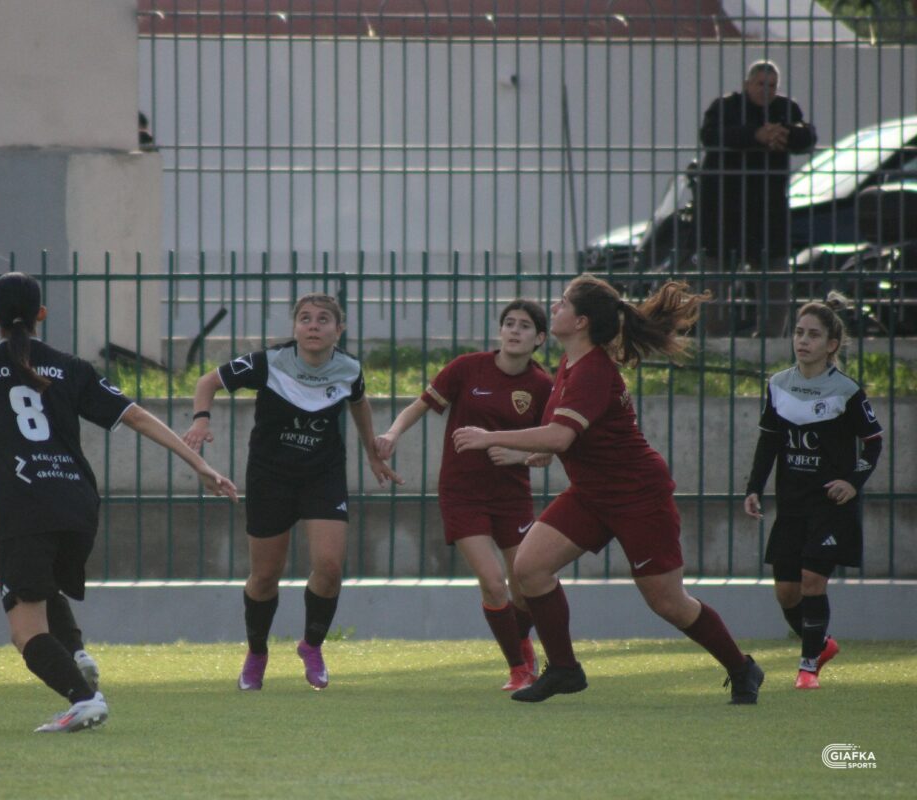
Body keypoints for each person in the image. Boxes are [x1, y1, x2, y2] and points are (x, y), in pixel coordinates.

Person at [0, 272, 238, 732]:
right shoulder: (70, 367)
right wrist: (198, 464)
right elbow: (135, 415)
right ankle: (74, 653)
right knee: (44, 586)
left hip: (27, 507)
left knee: (25, 631)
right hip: (78, 504)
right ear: (42, 314)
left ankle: (84, 698)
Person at [452, 275, 765, 704]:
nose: (554, 307)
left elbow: (560, 435)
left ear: (581, 321)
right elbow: (565, 435)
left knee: (668, 602)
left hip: (638, 496)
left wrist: (491, 437)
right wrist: (541, 450)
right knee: (529, 568)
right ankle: (564, 669)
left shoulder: (593, 371)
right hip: (591, 494)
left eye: (563, 303)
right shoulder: (571, 363)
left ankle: (742, 668)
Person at [182, 293, 400, 691]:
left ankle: (311, 646)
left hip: (323, 475)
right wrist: (200, 420)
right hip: (270, 477)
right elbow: (207, 382)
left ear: (339, 329)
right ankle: (257, 653)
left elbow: (359, 403)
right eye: (305, 318)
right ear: (295, 327)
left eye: (323, 319)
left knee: (329, 567)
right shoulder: (268, 362)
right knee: (266, 575)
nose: (313, 326)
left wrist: (373, 453)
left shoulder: (349, 368)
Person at [374, 300, 553, 691]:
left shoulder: (542, 386)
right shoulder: (467, 368)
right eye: (509, 323)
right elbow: (419, 406)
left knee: (524, 586)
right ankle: (518, 668)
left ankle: (522, 642)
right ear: (500, 330)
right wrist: (392, 433)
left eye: (524, 326)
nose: (514, 331)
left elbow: (550, 448)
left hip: (512, 496)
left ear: (539, 338)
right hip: (462, 493)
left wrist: (518, 455)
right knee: (493, 582)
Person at [744, 294, 882, 690]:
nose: (803, 341)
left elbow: (873, 443)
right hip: (792, 504)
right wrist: (754, 488)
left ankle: (807, 668)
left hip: (830, 505)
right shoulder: (778, 385)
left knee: (811, 581)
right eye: (799, 333)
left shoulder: (846, 391)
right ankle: (821, 644)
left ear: (831, 345)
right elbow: (769, 441)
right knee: (786, 593)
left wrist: (851, 482)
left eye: (814, 335)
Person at [696, 59, 816, 337]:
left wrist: (785, 134)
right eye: (761, 84)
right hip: (724, 208)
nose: (766, 90)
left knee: (775, 277)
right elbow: (710, 135)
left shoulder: (785, 109)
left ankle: (770, 340)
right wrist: (755, 135)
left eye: (772, 85)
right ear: (747, 84)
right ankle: (716, 341)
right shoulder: (725, 107)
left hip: (767, 210)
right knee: (716, 278)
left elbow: (807, 136)